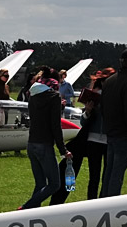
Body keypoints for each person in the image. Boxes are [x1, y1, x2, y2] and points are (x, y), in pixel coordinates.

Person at [51, 77, 108, 204]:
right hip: (93, 140)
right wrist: (88, 111)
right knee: (95, 175)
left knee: (104, 175)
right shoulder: (96, 98)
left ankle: (101, 201)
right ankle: (92, 202)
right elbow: (84, 121)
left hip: (107, 140)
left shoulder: (112, 98)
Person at [19, 81, 72, 209]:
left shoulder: (33, 96)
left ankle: (30, 214)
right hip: (44, 146)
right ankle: (26, 208)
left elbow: (41, 117)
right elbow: (55, 126)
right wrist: (63, 150)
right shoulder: (54, 98)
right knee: (54, 184)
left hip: (31, 144)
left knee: (41, 184)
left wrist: (59, 108)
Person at [100, 49, 127, 197]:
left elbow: (103, 108)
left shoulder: (109, 81)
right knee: (117, 175)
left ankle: (103, 200)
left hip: (111, 133)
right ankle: (111, 205)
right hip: (124, 135)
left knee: (109, 173)